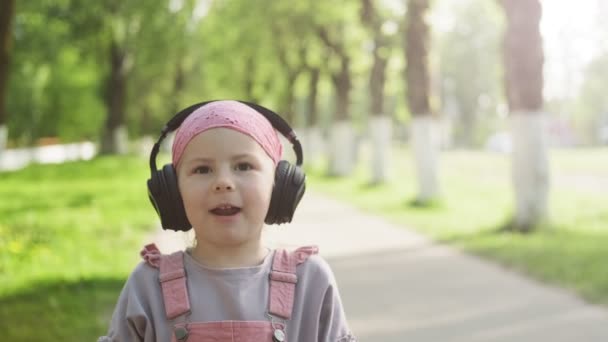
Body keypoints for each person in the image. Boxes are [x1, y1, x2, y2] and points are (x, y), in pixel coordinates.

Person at [98, 100, 355, 342]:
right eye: (202, 169)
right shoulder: (147, 288)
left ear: (280, 186)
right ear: (173, 193)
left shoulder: (311, 282)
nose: (223, 183)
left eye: (243, 166)